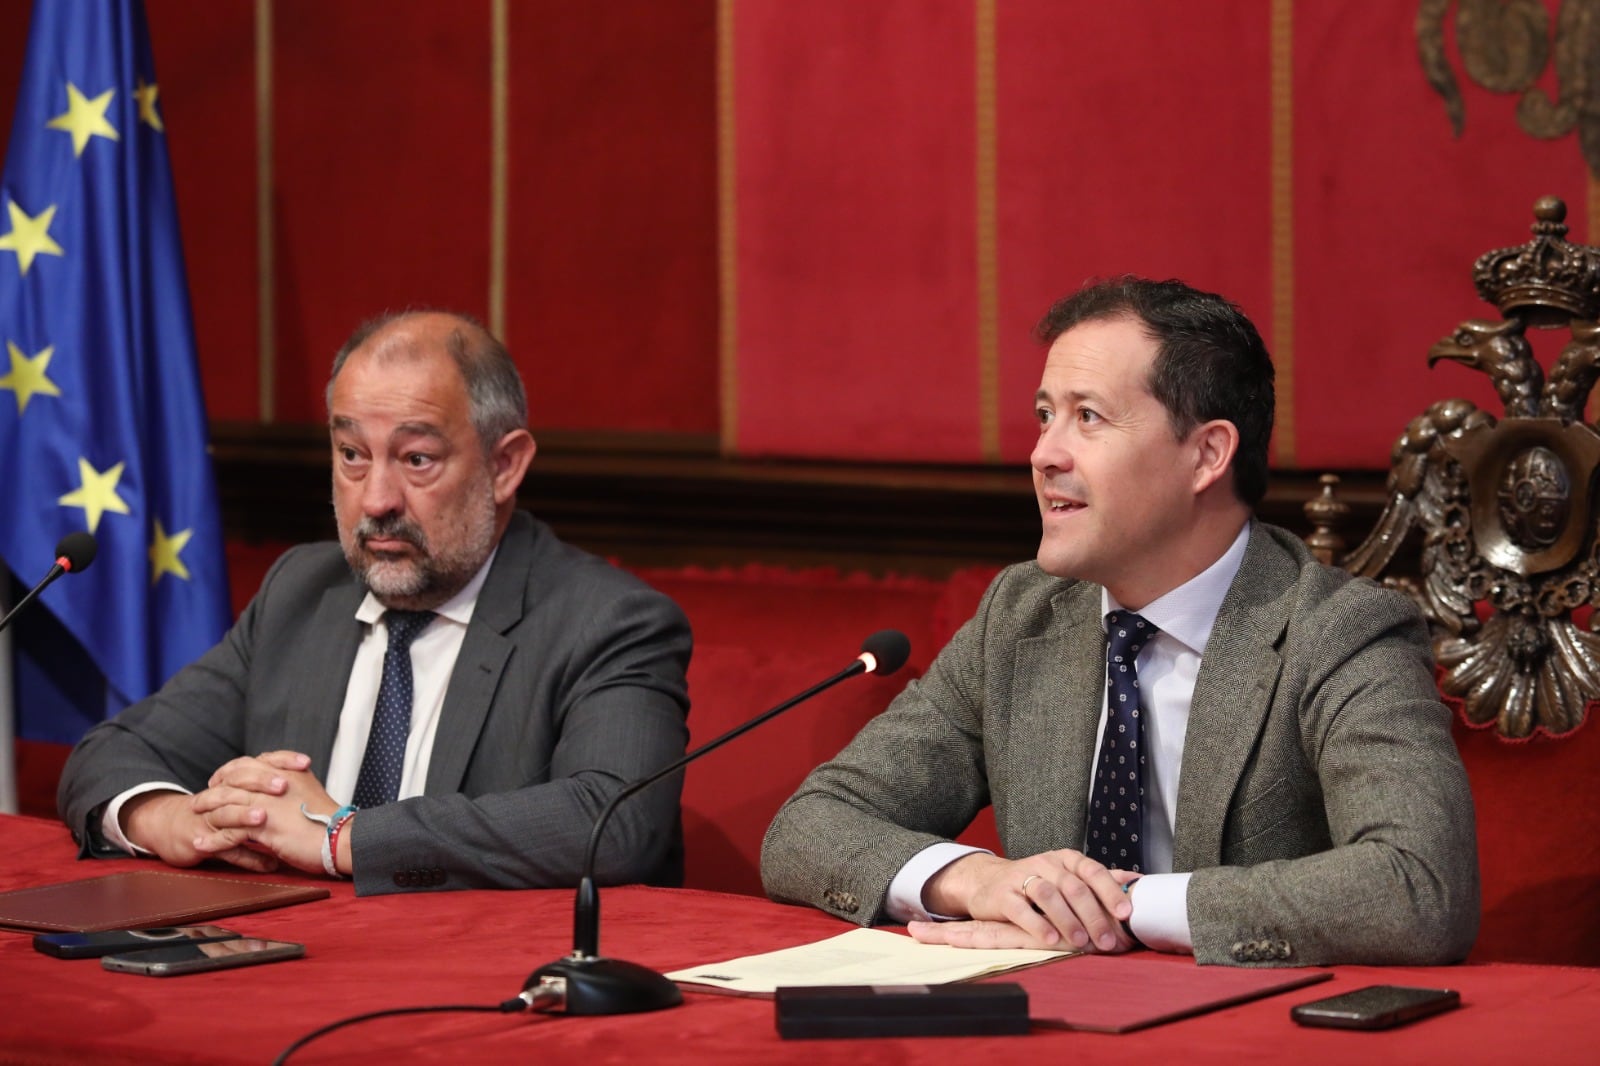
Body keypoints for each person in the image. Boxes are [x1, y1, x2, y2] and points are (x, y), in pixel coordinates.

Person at [761, 277, 1480, 966]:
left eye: (1088, 417)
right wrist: (974, 880)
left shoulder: (1339, 633)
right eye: (1045, 415)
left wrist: (1118, 910)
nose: (1044, 453)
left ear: (1206, 454)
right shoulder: (1021, 617)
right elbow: (810, 825)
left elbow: (1419, 887)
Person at [57, 310, 692, 895]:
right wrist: (172, 820)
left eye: (417, 459)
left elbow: (613, 819)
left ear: (504, 466)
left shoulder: (608, 622)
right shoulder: (303, 591)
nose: (377, 499)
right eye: (353, 455)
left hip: (477, 981)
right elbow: (111, 751)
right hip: (287, 970)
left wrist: (340, 839)